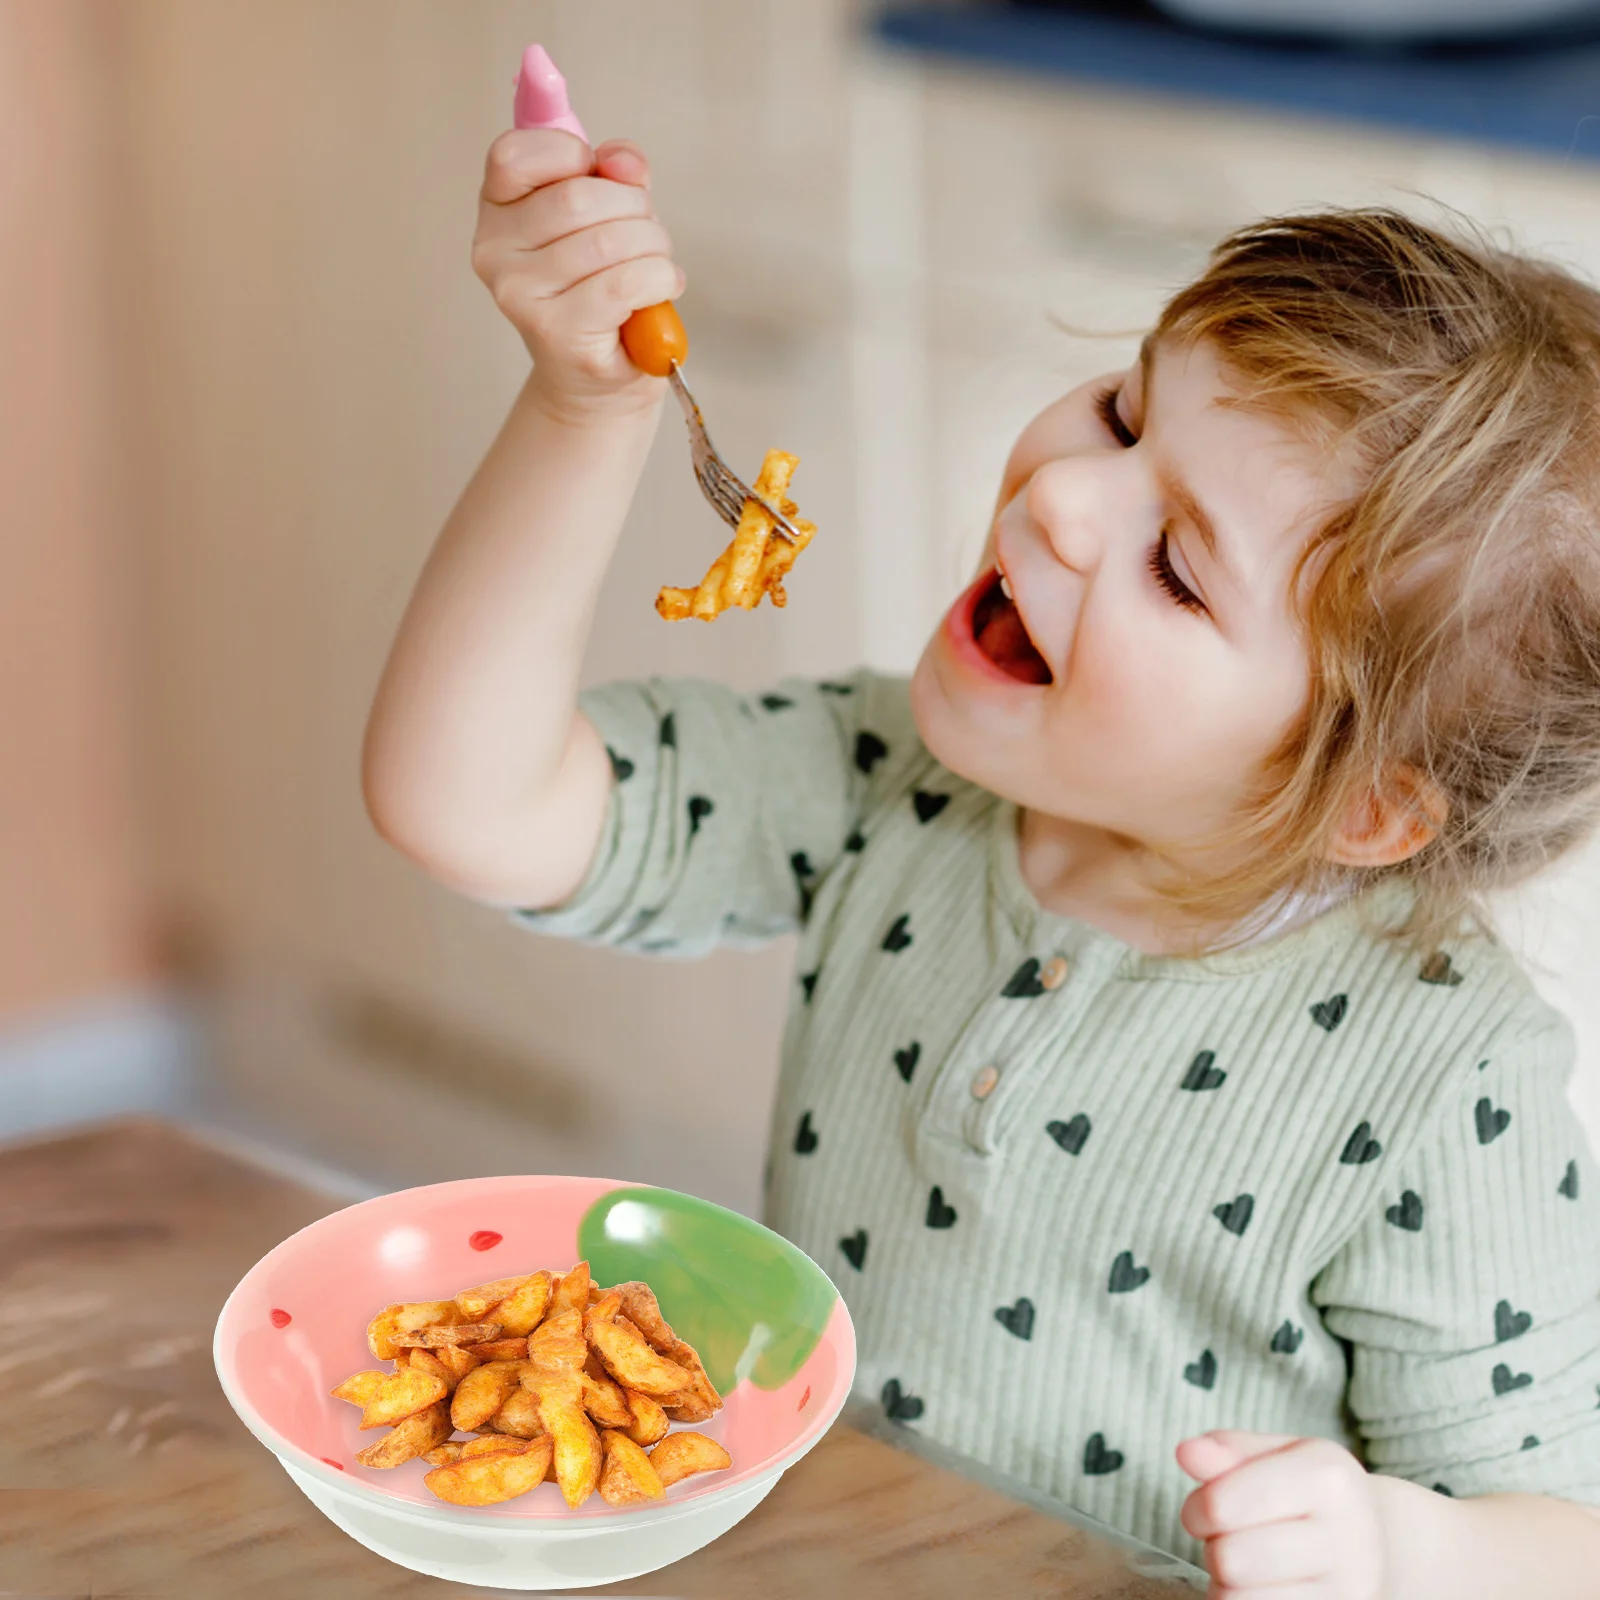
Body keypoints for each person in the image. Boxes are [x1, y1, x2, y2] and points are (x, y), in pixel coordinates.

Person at [361, 123, 1600, 1594]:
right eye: (1125, 416)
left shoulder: (1443, 1081)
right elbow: (470, 802)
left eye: (1177, 567)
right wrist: (585, 406)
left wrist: (1406, 1548)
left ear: (1368, 810)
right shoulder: (889, 778)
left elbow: (1564, 1537)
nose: (1064, 498)